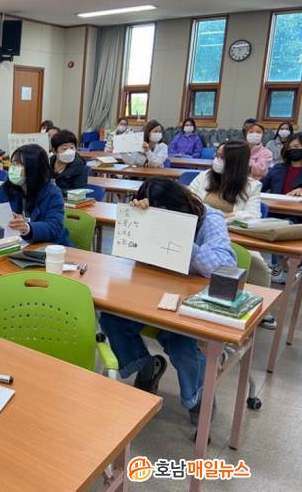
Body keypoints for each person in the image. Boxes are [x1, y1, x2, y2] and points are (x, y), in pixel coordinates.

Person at [99, 178, 236, 425]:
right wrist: (139, 220)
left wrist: (177, 236)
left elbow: (224, 266)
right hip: (150, 291)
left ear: (179, 206)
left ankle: (199, 396)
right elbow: (129, 253)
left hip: (186, 300)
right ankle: (147, 367)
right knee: (111, 318)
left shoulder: (210, 218)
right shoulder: (145, 210)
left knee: (181, 344)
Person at [188, 140, 275, 329]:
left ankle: (261, 309)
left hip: (234, 235)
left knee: (258, 266)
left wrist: (218, 218)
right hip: (201, 234)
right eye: (216, 155)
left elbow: (252, 216)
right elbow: (189, 201)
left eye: (222, 157)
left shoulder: (252, 186)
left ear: (235, 162)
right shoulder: (204, 177)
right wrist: (216, 218)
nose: (217, 159)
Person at [0, 144, 72, 246]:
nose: (13, 168)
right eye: (13, 163)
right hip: (13, 245)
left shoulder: (52, 193)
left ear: (34, 168)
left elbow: (54, 228)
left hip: (49, 248)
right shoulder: (6, 188)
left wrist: (27, 228)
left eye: (18, 165)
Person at [261, 133, 302, 284]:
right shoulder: (278, 168)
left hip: (296, 216)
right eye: (292, 147)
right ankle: (272, 265)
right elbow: (260, 186)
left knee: (287, 225)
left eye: (298, 147)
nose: (295, 150)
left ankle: (287, 266)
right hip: (274, 212)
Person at [50, 129, 87, 196]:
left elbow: (80, 191)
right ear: (54, 151)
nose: (69, 152)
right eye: (64, 148)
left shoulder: (78, 165)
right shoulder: (50, 161)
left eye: (72, 147)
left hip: (69, 200)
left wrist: (55, 191)